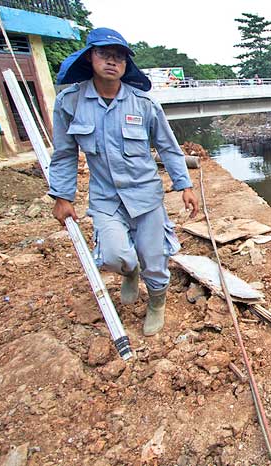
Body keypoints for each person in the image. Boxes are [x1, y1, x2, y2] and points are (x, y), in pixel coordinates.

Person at [49, 28, 199, 336]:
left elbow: (168, 148)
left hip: (146, 196)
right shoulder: (70, 103)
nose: (111, 62)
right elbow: (64, 154)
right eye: (104, 54)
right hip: (105, 200)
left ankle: (157, 302)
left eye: (119, 57)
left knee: (155, 260)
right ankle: (130, 273)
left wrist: (185, 185)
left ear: (126, 65)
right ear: (90, 57)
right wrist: (62, 198)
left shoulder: (144, 104)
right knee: (116, 256)